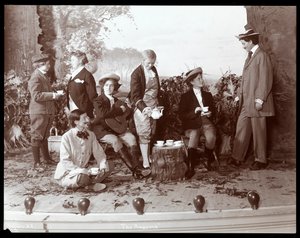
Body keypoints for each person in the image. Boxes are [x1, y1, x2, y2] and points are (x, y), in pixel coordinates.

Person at [227, 28, 275, 170]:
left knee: (259, 130)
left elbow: (265, 79)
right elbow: (246, 80)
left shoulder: (262, 56)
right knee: (241, 128)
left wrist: (260, 99)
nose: (242, 46)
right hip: (246, 101)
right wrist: (238, 95)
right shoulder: (250, 56)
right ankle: (237, 157)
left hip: (256, 101)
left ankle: (261, 160)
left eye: (243, 43)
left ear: (250, 41)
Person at [91, 73, 151, 179]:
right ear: (102, 86)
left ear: (114, 87)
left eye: (111, 85)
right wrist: (119, 110)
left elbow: (127, 113)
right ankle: (136, 170)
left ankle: (137, 167)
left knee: (132, 138)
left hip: (118, 128)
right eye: (106, 85)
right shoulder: (98, 100)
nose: (108, 88)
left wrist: (126, 109)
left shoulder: (118, 101)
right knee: (115, 141)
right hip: (102, 129)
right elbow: (102, 114)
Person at [54, 109, 112, 191]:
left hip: (85, 170)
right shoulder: (67, 137)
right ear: (76, 122)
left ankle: (88, 184)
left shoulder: (91, 134)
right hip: (69, 172)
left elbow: (99, 153)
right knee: (82, 177)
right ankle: (87, 184)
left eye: (87, 117)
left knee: (109, 165)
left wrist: (102, 166)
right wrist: (81, 171)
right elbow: (65, 161)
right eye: (84, 118)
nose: (88, 119)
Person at [178, 67, 217, 179]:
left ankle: (209, 157)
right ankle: (190, 167)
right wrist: (194, 112)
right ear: (191, 82)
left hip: (206, 122)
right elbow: (181, 115)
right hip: (192, 124)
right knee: (194, 134)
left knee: (211, 137)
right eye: (199, 79)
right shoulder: (185, 97)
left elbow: (214, 111)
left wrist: (210, 113)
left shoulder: (208, 95)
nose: (202, 80)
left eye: (201, 78)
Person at [28, 53, 65, 169]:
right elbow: (36, 96)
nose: (49, 65)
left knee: (45, 136)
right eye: (48, 64)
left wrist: (54, 93)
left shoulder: (42, 76)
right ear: (41, 64)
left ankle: (47, 159)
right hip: (39, 112)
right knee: (37, 136)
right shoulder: (35, 77)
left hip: (46, 111)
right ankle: (36, 163)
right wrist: (53, 95)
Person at [129, 49, 162, 170]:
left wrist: (157, 106)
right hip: (141, 106)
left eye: (153, 63)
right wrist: (146, 109)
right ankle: (145, 162)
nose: (151, 65)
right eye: (148, 63)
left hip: (154, 105)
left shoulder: (153, 70)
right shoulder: (136, 74)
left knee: (152, 132)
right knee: (144, 133)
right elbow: (135, 96)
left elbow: (156, 90)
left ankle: (148, 157)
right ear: (142, 61)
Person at [65, 50, 98, 119]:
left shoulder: (87, 75)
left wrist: (91, 111)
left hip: (83, 112)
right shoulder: (73, 74)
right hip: (72, 109)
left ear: (80, 60)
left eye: (73, 60)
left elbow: (92, 95)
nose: (71, 62)